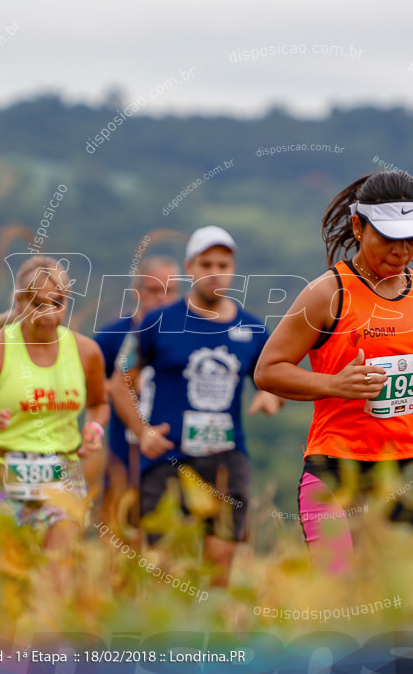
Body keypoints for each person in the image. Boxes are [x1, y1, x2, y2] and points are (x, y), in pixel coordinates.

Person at [253, 170, 413, 575]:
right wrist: (334, 384)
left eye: (412, 239)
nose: (402, 250)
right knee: (340, 602)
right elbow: (268, 371)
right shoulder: (328, 293)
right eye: (389, 238)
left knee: (408, 605)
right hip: (339, 469)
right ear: (359, 227)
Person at [117, 226, 282, 586]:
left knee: (218, 571)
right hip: (167, 459)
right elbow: (120, 382)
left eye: (223, 263)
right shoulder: (157, 322)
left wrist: (270, 397)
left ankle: (215, 640)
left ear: (233, 268)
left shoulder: (253, 329)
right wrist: (141, 430)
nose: (215, 271)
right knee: (163, 569)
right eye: (206, 263)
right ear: (190, 267)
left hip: (226, 458)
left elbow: (273, 382)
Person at [0, 255, 108, 549]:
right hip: (2, 478)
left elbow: (100, 403)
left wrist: (94, 430)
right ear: (20, 301)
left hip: (62, 479)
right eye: (37, 305)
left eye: (58, 304)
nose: (49, 315)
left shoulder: (87, 352)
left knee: (56, 575)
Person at [94, 255, 179, 527]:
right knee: (119, 533)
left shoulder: (185, 334)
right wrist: (121, 385)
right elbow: (86, 384)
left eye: (170, 291)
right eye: (154, 291)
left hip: (173, 453)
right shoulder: (111, 336)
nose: (162, 299)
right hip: (123, 451)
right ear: (137, 293)